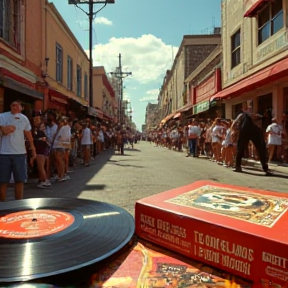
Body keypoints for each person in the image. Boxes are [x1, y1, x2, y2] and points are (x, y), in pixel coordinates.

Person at [0, 100, 36, 201]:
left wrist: (33, 148)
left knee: (19, 180)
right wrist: (2, 128)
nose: (15, 107)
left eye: (17, 105)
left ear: (21, 108)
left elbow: (28, 134)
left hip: (20, 153)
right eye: (13, 105)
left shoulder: (24, 119)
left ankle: (18, 203)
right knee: (2, 181)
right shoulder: (2, 116)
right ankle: (2, 204)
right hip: (4, 153)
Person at [33, 121, 51, 188]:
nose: (43, 127)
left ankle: (45, 181)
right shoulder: (42, 133)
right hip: (41, 151)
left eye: (43, 126)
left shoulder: (39, 133)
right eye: (42, 126)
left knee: (41, 167)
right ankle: (43, 180)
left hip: (40, 151)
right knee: (41, 166)